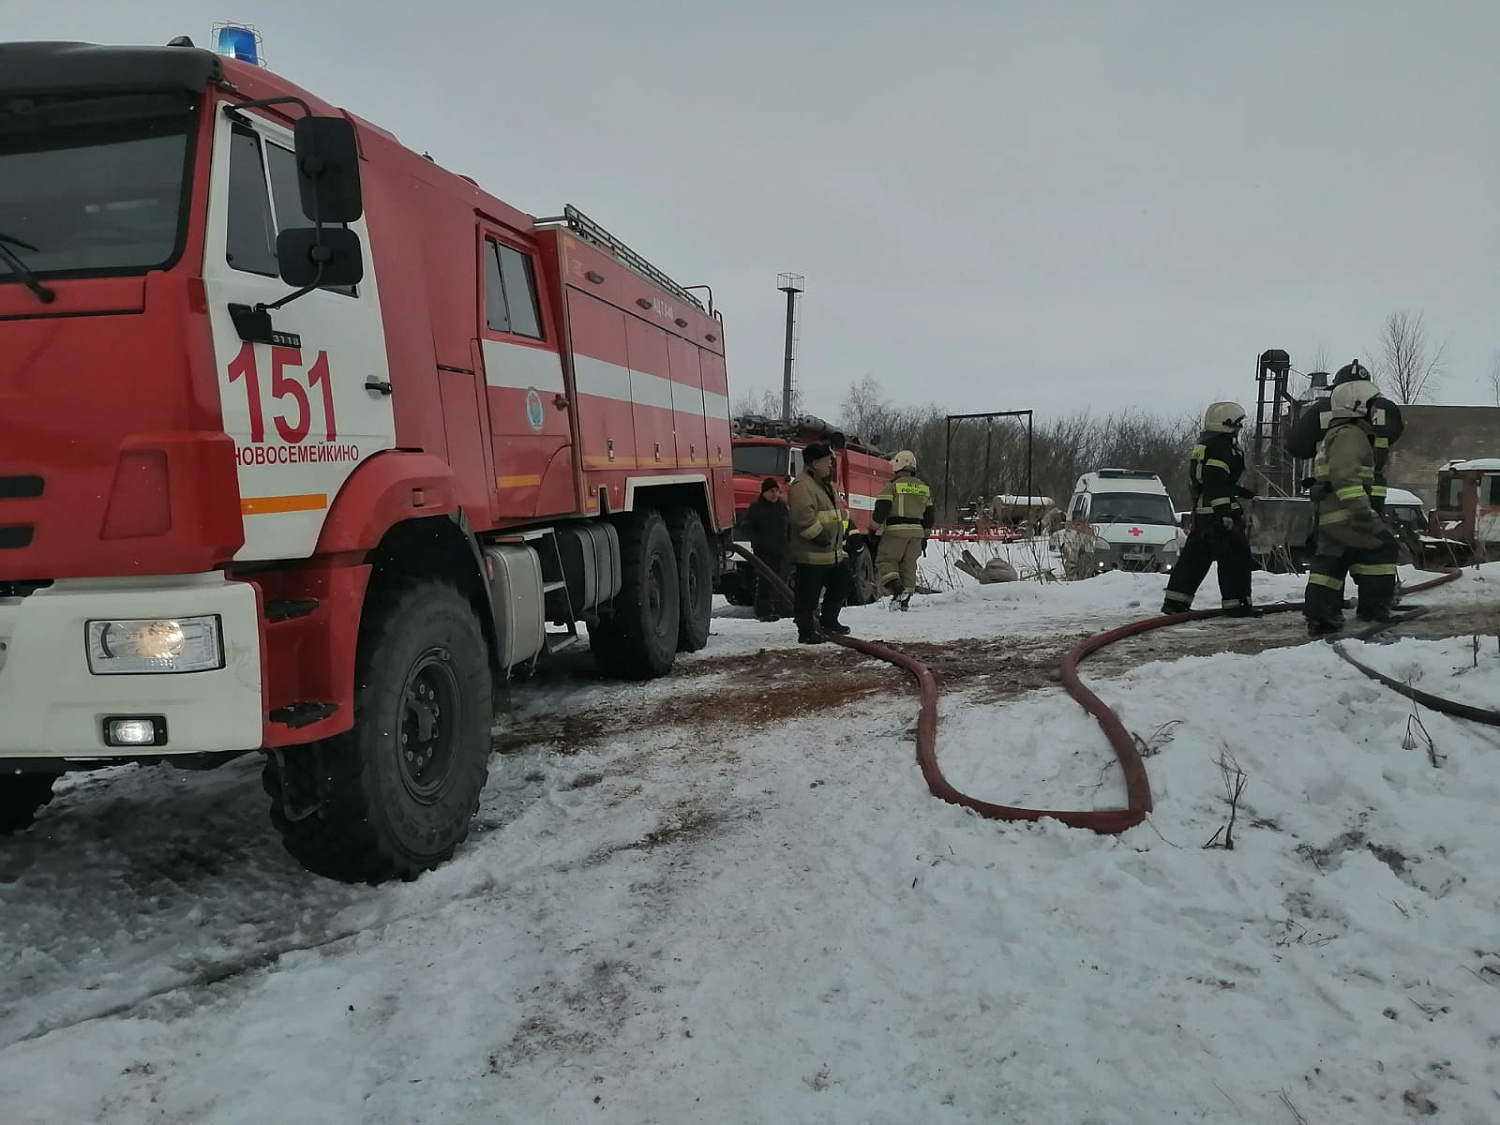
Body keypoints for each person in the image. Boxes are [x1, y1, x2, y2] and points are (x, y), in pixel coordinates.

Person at [1303, 379, 1399, 637]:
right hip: (1346, 513)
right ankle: (1374, 609)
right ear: (1356, 407)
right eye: (1369, 404)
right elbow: (1345, 478)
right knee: (1383, 547)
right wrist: (1362, 513)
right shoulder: (1351, 434)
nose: (1373, 409)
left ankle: (1322, 616)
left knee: (1332, 561)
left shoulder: (1334, 433)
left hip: (1329, 514)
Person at [1161, 402, 1263, 617]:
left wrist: (1237, 491)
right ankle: (1238, 605)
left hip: (1203, 513)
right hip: (1219, 514)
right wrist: (1225, 513)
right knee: (1236, 559)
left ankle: (1175, 602)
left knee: (1194, 560)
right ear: (1226, 424)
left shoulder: (1206, 444)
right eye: (1237, 424)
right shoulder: (1222, 447)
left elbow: (1208, 480)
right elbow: (1216, 482)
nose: (1238, 429)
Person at [1285, 359, 1405, 513]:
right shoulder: (1386, 409)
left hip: (1332, 496)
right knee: (1372, 532)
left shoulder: (1322, 410)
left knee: (1334, 533)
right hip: (1373, 494)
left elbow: (1297, 447)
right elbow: (1394, 434)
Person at [787, 442, 851, 643]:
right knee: (808, 597)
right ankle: (806, 632)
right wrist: (820, 536)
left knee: (843, 584)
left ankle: (829, 621)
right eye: (826, 462)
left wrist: (849, 532)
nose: (830, 466)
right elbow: (802, 518)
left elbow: (837, 513)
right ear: (814, 463)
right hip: (811, 555)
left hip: (832, 554)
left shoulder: (827, 484)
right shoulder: (802, 486)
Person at [869, 449, 934, 610]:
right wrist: (925, 536)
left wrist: (873, 529)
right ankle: (904, 602)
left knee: (886, 562)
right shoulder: (924, 488)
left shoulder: (893, 486)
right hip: (917, 533)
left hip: (896, 531)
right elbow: (930, 515)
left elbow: (882, 508)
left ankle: (898, 591)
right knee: (909, 566)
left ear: (898, 466)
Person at [743, 477, 791, 621]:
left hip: (781, 550)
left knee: (782, 580)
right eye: (771, 491)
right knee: (765, 581)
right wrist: (757, 541)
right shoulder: (756, 508)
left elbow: (788, 525)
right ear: (764, 492)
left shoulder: (781, 507)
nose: (775, 494)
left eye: (776, 491)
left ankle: (782, 608)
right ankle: (763, 611)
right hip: (764, 552)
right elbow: (745, 527)